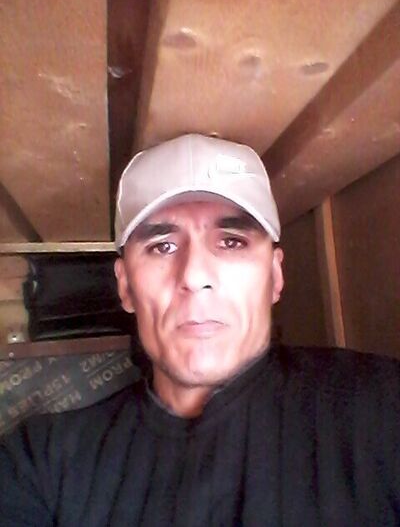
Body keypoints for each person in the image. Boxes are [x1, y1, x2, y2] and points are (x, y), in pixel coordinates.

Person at [0, 134, 399, 526]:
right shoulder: (41, 459)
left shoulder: (382, 407)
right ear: (125, 287)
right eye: (162, 246)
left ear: (275, 277)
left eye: (231, 242)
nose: (194, 276)